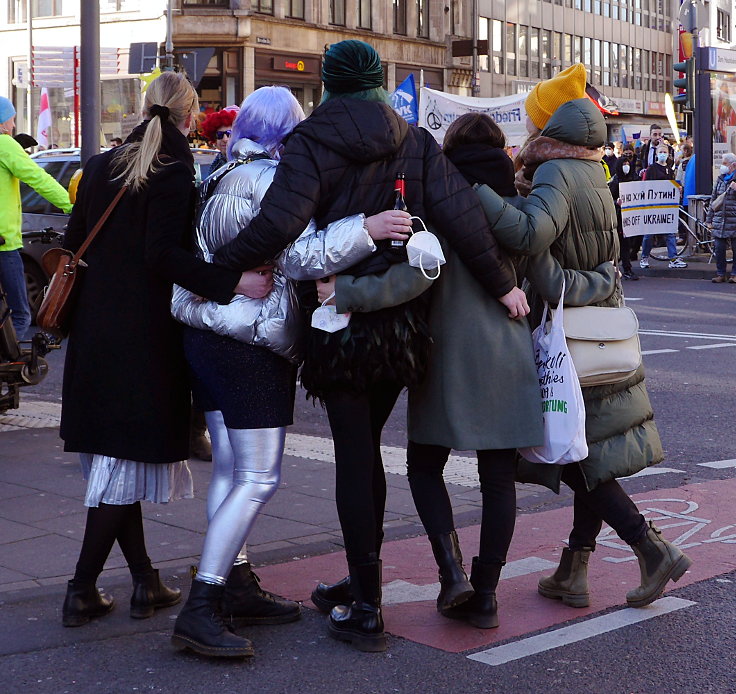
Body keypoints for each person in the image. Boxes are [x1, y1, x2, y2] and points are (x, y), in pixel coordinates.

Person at [211, 40, 528, 652]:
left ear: (328, 83)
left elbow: (278, 224)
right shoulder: (412, 140)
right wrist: (504, 286)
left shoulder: (309, 142)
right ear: (379, 80)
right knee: (371, 449)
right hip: (401, 322)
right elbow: (462, 217)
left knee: (356, 456)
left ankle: (366, 601)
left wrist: (217, 267)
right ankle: (360, 587)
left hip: (336, 319)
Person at [329, 111, 613, 631]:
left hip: (445, 359)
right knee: (497, 480)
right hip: (510, 361)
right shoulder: (524, 212)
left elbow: (412, 280)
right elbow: (549, 283)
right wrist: (601, 279)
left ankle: (450, 571)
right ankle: (484, 594)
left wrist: (344, 292)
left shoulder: (440, 208)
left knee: (423, 467)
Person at [169, 85, 411, 658]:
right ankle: (202, 603)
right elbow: (301, 254)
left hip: (209, 335)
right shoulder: (271, 179)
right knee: (257, 477)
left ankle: (235, 582)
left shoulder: (221, 175)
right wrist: (368, 228)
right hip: (249, 342)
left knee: (230, 470)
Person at [474, 64, 692, 612]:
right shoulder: (593, 170)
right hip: (599, 327)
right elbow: (598, 256)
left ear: (546, 126)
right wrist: (597, 279)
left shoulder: (554, 172)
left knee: (574, 457)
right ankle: (573, 570)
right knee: (586, 450)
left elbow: (531, 239)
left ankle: (650, 547)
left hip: (568, 334)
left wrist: (477, 192)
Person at [59, 72, 261, 628]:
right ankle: (80, 589)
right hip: (142, 339)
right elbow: (162, 257)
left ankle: (145, 579)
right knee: (122, 466)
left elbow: (74, 243)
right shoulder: (172, 172)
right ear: (189, 115)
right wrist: (232, 283)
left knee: (114, 460)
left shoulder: (101, 165)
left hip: (96, 333)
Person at [0, 96, 71, 339]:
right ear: (2, 123)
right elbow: (39, 179)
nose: (12, 126)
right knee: (21, 315)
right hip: (4, 244)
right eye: (11, 120)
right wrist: (70, 205)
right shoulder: (5, 145)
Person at [640, 143, 687, 270]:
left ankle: (673, 258)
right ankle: (644, 257)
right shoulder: (652, 169)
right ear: (656, 154)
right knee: (649, 234)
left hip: (666, 207)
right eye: (660, 152)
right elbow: (646, 186)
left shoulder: (670, 170)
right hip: (653, 206)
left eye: (665, 152)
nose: (663, 154)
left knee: (670, 233)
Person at [609, 151, 640, 280]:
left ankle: (619, 264)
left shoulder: (634, 177)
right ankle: (626, 268)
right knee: (624, 243)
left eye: (628, 163)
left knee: (630, 243)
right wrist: (617, 202)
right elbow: (610, 198)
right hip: (621, 218)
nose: (626, 166)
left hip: (633, 217)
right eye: (624, 164)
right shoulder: (616, 181)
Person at [705, 152, 736, 283]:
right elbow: (714, 199)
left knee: (735, 249)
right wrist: (708, 220)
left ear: (733, 165)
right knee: (719, 248)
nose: (722, 166)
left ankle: (734, 274)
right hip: (719, 219)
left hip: (733, 220)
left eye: (724, 163)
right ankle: (721, 273)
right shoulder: (720, 179)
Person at [201, 109, 237, 177]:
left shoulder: (244, 162)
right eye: (219, 134)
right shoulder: (217, 162)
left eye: (229, 134)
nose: (225, 139)